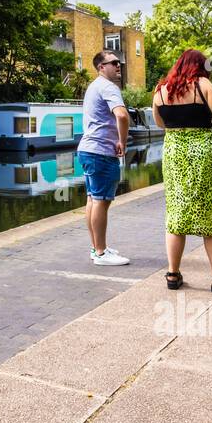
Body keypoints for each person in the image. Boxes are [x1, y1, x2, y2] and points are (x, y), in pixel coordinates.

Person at [152, 48, 212, 293]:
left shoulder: (161, 89)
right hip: (203, 151)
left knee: (176, 212)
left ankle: (172, 274)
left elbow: (160, 123)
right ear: (200, 66)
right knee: (210, 213)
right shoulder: (203, 84)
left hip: (173, 153)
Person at [77, 49, 131, 265]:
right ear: (101, 67)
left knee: (92, 199)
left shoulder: (94, 86)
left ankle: (96, 248)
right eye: (114, 63)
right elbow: (122, 115)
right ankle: (100, 253)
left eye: (119, 63)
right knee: (101, 201)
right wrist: (123, 141)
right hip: (100, 151)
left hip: (88, 150)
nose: (118, 66)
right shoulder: (109, 87)